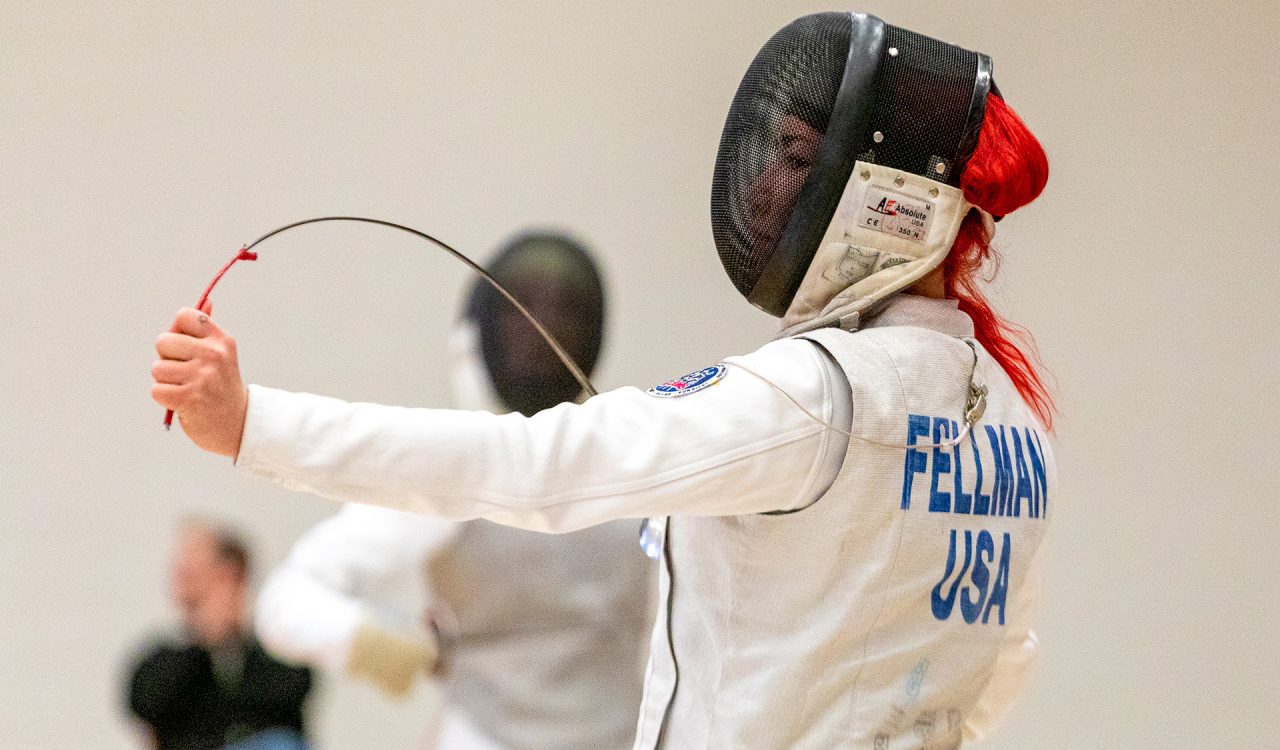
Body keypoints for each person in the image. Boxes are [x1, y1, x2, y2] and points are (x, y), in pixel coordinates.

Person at [152, 11, 1057, 749]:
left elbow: (538, 465)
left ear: (883, 197)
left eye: (796, 154)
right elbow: (1004, 662)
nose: (768, 183)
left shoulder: (818, 398)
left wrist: (250, 424)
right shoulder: (1017, 427)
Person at [253, 232, 652, 750]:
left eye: (558, 317)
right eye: (521, 318)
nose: (539, 333)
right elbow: (287, 602)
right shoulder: (470, 471)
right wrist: (387, 644)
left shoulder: (627, 459)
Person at [124, 520, 312, 750]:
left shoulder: (274, 650)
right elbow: (145, 704)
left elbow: (293, 691)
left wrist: (234, 631)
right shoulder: (164, 658)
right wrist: (204, 636)